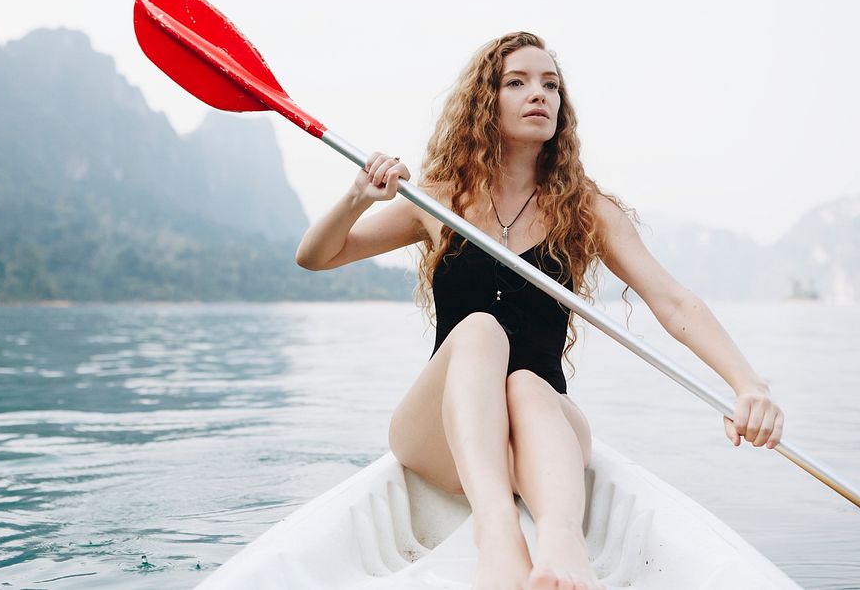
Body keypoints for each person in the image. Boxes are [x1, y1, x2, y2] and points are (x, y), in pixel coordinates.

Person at [294, 32, 785, 590]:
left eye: (551, 84)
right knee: (479, 331)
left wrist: (749, 385)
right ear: (486, 100)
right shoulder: (438, 200)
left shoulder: (587, 211)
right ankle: (498, 535)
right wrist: (358, 196)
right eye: (518, 82)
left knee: (528, 384)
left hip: (541, 428)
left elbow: (673, 301)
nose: (540, 94)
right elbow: (316, 256)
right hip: (442, 438)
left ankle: (560, 548)